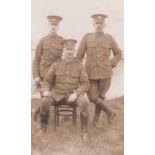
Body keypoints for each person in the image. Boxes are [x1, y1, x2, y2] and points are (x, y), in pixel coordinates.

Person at [76, 14, 122, 127]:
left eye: (101, 23)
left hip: (106, 74)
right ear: (93, 24)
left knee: (101, 97)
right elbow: (79, 56)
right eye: (97, 23)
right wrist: (79, 71)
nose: (99, 25)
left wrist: (111, 64)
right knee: (92, 96)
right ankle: (110, 112)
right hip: (90, 74)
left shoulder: (109, 38)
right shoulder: (87, 38)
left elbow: (119, 53)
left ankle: (96, 121)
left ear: (104, 24)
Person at [40, 39, 90, 139]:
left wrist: (76, 93)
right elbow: (46, 80)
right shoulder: (56, 64)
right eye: (67, 49)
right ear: (63, 50)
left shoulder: (79, 65)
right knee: (44, 101)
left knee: (84, 102)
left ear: (74, 51)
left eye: (71, 49)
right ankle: (43, 128)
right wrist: (45, 90)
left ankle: (85, 132)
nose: (69, 52)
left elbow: (85, 83)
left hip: (73, 95)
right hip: (57, 94)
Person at [32, 15, 64, 120]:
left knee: (52, 97)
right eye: (52, 25)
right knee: (44, 97)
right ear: (48, 25)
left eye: (56, 25)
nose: (53, 27)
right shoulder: (42, 41)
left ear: (58, 26)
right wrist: (36, 76)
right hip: (43, 75)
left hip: (56, 76)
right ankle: (43, 121)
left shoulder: (62, 41)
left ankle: (35, 112)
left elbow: (65, 59)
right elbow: (36, 59)